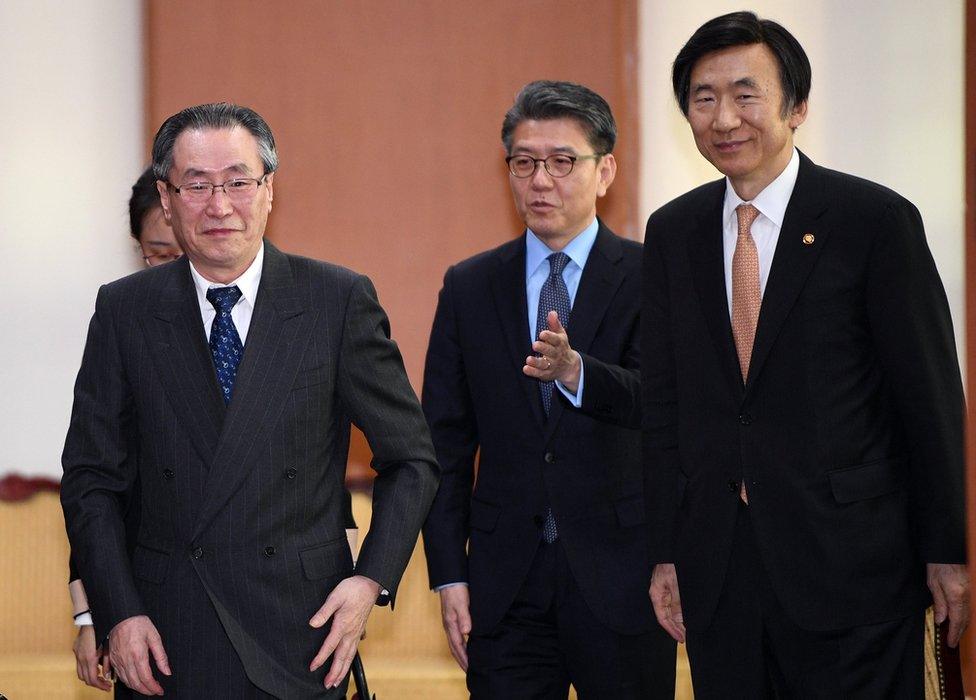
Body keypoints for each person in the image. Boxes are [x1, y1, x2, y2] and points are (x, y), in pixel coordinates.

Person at [61, 103, 438, 698]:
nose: (219, 205)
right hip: (164, 630)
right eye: (197, 184)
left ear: (268, 190)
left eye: (238, 181)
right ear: (166, 196)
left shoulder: (335, 300)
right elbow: (91, 479)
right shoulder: (125, 309)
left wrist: (370, 580)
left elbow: (412, 459)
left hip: (303, 628)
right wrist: (117, 612)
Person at [642, 12, 969, 698]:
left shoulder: (873, 221)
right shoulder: (672, 232)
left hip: (853, 567)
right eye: (703, 99)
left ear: (797, 106)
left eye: (746, 94)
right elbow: (665, 403)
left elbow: (928, 396)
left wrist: (947, 550)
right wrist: (666, 551)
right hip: (720, 568)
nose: (724, 117)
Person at [422, 80, 676, 698]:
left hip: (623, 579)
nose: (541, 180)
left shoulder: (655, 276)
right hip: (505, 588)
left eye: (563, 162)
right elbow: (443, 445)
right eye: (525, 162)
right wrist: (450, 576)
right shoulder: (469, 286)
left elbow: (668, 408)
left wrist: (578, 373)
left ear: (605, 169)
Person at [69, 165, 171, 693]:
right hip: (140, 588)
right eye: (159, 254)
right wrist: (91, 617)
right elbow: (94, 487)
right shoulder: (122, 318)